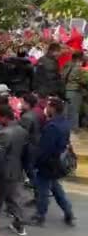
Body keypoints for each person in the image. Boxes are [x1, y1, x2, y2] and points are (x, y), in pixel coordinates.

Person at [30, 97, 76, 227]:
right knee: (56, 188)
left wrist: (36, 163)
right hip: (57, 164)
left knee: (43, 190)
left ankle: (40, 216)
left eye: (48, 106)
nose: (46, 108)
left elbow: (45, 149)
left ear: (53, 108)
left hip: (48, 164)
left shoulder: (51, 127)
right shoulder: (64, 123)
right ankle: (68, 212)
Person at [0, 105, 28, 236]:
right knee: (14, 199)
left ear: (4, 117)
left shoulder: (5, 134)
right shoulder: (22, 131)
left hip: (3, 170)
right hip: (17, 169)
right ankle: (20, 225)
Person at [62, 51, 83, 132]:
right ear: (79, 58)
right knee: (74, 110)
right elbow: (80, 79)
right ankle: (74, 129)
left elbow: (63, 75)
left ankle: (65, 127)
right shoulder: (78, 67)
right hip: (75, 90)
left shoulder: (67, 64)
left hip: (66, 89)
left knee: (66, 109)